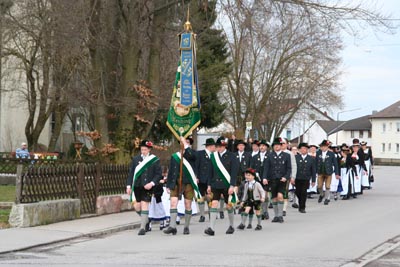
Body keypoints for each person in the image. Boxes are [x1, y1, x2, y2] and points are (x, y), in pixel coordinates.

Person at [126, 140, 162, 235]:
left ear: (149, 150)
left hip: (148, 187)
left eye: (145, 149)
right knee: (137, 207)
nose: (143, 151)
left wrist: (152, 183)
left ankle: (142, 228)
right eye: (142, 149)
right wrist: (128, 185)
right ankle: (146, 220)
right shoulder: (136, 159)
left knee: (144, 204)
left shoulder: (154, 160)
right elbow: (131, 173)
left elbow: (158, 174)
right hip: (137, 185)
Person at [204, 137, 239, 236]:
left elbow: (234, 172)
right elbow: (210, 172)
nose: (218, 148)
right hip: (215, 184)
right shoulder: (213, 156)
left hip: (227, 185)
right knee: (214, 204)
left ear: (225, 146)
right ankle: (211, 228)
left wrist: (232, 185)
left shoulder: (232, 156)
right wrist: (209, 185)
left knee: (229, 205)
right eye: (217, 146)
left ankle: (231, 225)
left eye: (221, 146)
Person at [163, 136, 198, 235]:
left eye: (187, 142)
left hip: (188, 183)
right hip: (176, 182)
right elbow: (171, 171)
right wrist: (168, 184)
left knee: (188, 205)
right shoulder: (175, 156)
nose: (184, 143)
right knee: (173, 203)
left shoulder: (192, 154)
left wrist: (186, 146)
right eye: (183, 141)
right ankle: (172, 226)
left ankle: (186, 226)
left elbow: (193, 157)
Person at [262, 137, 291, 223]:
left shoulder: (287, 156)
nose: (276, 147)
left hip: (282, 180)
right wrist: (264, 178)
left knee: (280, 196)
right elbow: (266, 168)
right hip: (272, 179)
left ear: (281, 146)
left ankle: (280, 215)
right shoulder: (269, 156)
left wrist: (286, 177)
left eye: (278, 145)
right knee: (274, 198)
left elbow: (289, 168)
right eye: (275, 145)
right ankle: (276, 215)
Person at [196, 138, 216, 223]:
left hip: (210, 179)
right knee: (201, 198)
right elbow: (196, 166)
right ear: (210, 146)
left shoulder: (214, 155)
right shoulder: (200, 154)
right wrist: (196, 176)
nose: (215, 147)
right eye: (214, 146)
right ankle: (202, 215)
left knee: (209, 197)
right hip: (201, 179)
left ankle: (211, 214)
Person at [293, 143, 316, 213]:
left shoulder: (311, 158)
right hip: (297, 177)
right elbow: (293, 168)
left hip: (306, 178)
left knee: (303, 192)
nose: (303, 150)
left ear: (307, 150)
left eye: (305, 149)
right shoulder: (296, 157)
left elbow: (313, 170)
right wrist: (292, 177)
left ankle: (302, 207)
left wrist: (313, 180)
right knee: (297, 192)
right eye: (301, 149)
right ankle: (300, 202)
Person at [250, 139, 270, 220]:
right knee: (258, 196)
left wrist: (267, 177)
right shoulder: (255, 157)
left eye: (263, 146)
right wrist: (254, 174)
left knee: (265, 195)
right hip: (257, 179)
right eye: (260, 146)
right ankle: (261, 211)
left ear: (266, 147)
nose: (261, 147)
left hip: (266, 179)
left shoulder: (270, 156)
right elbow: (251, 168)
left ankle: (265, 211)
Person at [315, 140, 339, 205]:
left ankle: (326, 198)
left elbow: (335, 164)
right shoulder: (318, 153)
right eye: (322, 147)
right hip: (320, 172)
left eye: (324, 146)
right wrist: (315, 171)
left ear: (327, 147)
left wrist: (337, 173)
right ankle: (322, 194)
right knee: (319, 186)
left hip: (328, 172)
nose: (323, 148)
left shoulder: (331, 154)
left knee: (327, 186)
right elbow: (315, 163)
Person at [281, 138, 297, 216]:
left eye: (283, 143)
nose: (282, 145)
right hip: (276, 176)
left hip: (286, 176)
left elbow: (294, 165)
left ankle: (283, 209)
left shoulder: (290, 154)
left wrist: (293, 176)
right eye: (280, 143)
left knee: (284, 192)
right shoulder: (274, 153)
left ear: (287, 144)